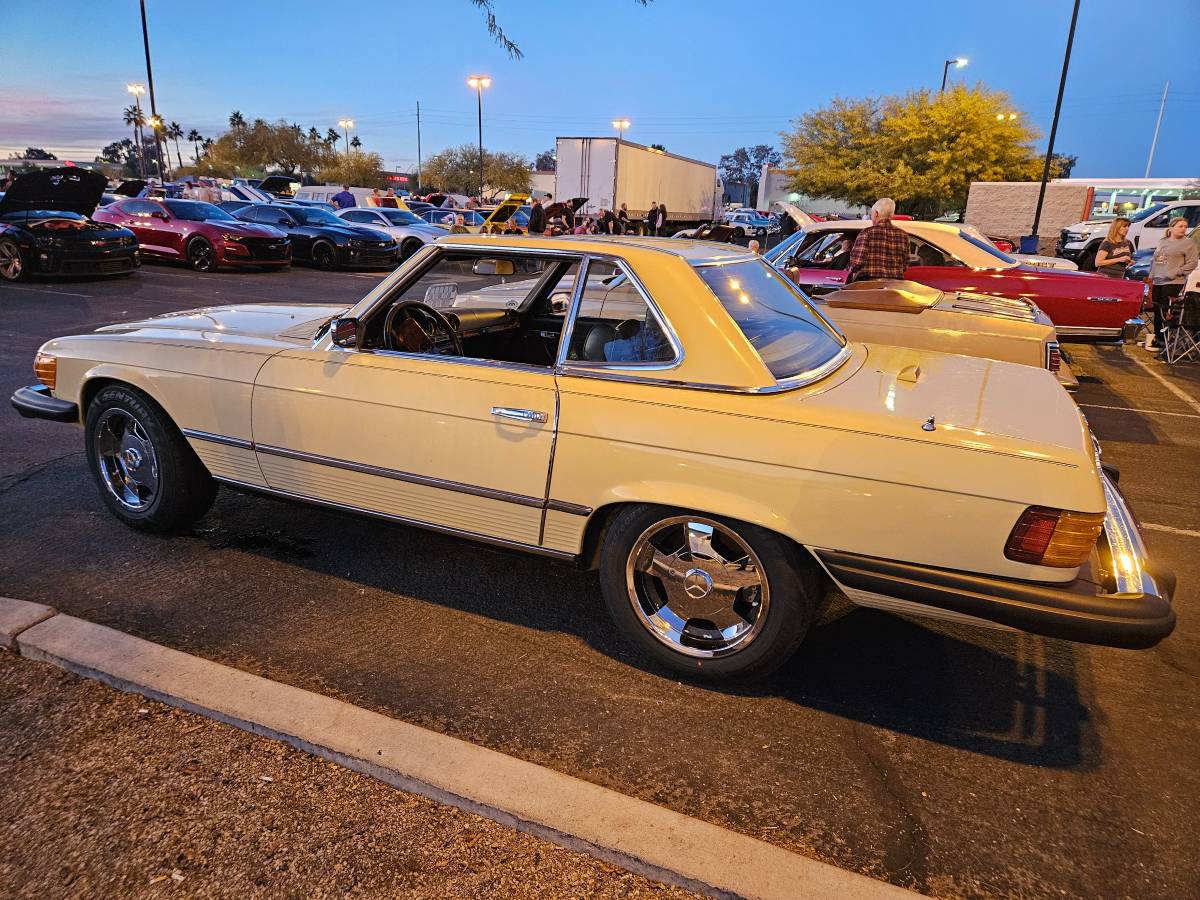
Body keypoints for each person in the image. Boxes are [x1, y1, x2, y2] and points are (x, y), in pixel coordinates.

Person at [1148, 216, 1199, 351]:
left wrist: (1178, 272)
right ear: (1171, 228)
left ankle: (1166, 339)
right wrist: (1151, 276)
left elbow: (1192, 262)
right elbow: (1155, 260)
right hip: (1158, 280)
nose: (1183, 229)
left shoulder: (1188, 243)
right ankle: (1157, 338)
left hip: (1173, 281)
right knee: (1157, 310)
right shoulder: (1163, 241)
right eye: (1180, 226)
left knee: (1167, 310)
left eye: (1185, 226)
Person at [847, 198, 909, 282]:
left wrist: (850, 269)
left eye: (871, 214)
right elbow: (905, 265)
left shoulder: (867, 233)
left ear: (876, 214)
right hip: (894, 286)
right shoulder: (903, 235)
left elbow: (856, 262)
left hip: (869, 286)